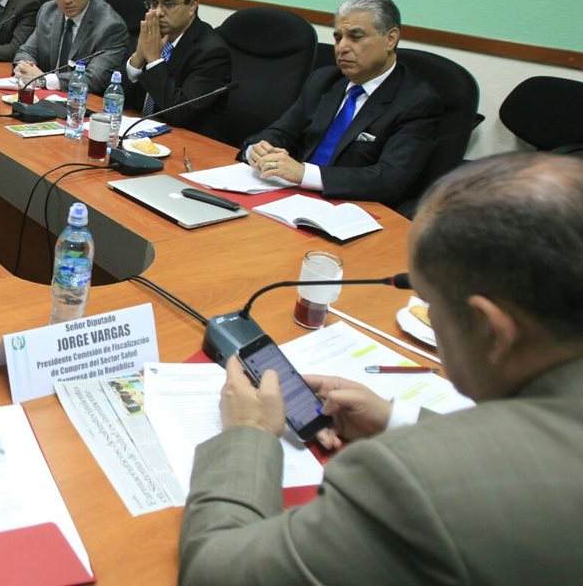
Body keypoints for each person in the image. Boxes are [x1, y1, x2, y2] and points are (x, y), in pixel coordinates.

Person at [178, 152, 583, 585]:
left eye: (430, 302)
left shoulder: (414, 480)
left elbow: (216, 573)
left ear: (491, 330)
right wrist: (398, 420)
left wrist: (249, 434)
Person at [242, 0, 441, 208]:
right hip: (290, 198)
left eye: (355, 37)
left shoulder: (417, 101)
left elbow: (390, 179)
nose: (342, 47)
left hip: (353, 209)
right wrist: (257, 149)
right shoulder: (324, 80)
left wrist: (304, 174)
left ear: (390, 39)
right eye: (338, 38)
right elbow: (281, 132)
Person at [125, 0, 231, 128]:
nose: (158, 12)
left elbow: (180, 113)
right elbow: (115, 97)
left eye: (169, 4)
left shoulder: (212, 52)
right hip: (139, 134)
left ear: (192, 6)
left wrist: (154, 60)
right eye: (153, 3)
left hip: (189, 144)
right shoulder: (151, 34)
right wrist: (138, 59)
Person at [13, 0, 130, 95]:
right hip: (45, 96)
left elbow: (95, 79)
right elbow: (25, 52)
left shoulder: (110, 26)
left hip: (81, 104)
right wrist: (26, 68)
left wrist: (43, 79)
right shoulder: (48, 11)